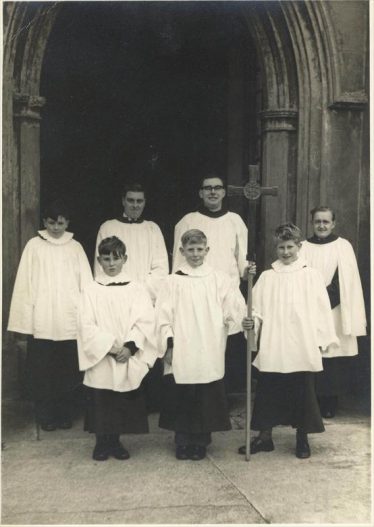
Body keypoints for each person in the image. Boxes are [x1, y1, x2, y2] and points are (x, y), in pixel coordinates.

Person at [239, 223, 338, 459]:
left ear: (299, 246)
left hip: (301, 341)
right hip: (275, 341)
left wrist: (322, 338)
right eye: (281, 247)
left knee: (301, 389)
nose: (285, 252)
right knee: (268, 387)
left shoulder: (311, 276)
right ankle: (265, 437)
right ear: (276, 248)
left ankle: (301, 438)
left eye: (290, 247)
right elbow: (256, 308)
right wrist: (252, 322)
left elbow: (322, 308)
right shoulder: (267, 277)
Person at [156, 229, 247, 460]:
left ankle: (201, 442)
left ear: (207, 250)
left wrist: (236, 317)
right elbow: (163, 314)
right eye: (190, 250)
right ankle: (182, 440)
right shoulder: (172, 281)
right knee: (182, 393)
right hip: (182, 345)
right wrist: (169, 344)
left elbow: (233, 306)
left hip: (209, 343)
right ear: (181, 251)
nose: (195, 254)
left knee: (205, 393)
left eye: (199, 249)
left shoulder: (219, 279)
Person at [7, 200, 93, 431]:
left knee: (67, 369)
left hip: (68, 319)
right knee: (43, 370)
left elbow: (86, 284)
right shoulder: (34, 246)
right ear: (45, 222)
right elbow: (25, 284)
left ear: (68, 222)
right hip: (43, 320)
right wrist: (24, 321)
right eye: (52, 222)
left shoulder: (75, 248)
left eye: (61, 222)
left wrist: (87, 317)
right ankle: (45, 415)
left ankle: (65, 413)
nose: (56, 227)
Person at [78, 236, 158, 461]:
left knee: (120, 400)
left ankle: (116, 442)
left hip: (126, 352)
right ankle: (101, 442)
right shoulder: (91, 289)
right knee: (102, 399)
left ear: (125, 259)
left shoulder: (136, 289)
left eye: (116, 258)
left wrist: (131, 347)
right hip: (102, 354)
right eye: (106, 259)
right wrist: (111, 348)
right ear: (99, 260)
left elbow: (145, 320)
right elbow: (85, 323)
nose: (111, 264)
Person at [299, 206, 367, 418]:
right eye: (317, 221)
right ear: (312, 223)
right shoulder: (302, 247)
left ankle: (329, 402)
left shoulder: (342, 246)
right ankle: (312, 401)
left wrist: (324, 301)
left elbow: (345, 279)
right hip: (308, 307)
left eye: (326, 222)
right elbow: (299, 276)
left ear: (333, 223)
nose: (321, 225)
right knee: (312, 353)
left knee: (332, 356)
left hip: (335, 308)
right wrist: (313, 302)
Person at [94, 182, 169, 301]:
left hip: (146, 297)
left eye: (139, 201)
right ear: (123, 201)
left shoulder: (153, 229)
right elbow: (101, 265)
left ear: (145, 202)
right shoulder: (108, 227)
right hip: (115, 296)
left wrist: (141, 292)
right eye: (131, 200)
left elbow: (161, 268)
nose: (135, 205)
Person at [172, 171, 248, 287]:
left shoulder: (235, 220)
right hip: (195, 286)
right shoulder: (188, 221)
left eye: (217, 188)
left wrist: (247, 271)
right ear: (201, 193)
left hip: (228, 286)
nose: (213, 192)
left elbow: (243, 258)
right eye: (208, 188)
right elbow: (179, 259)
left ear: (223, 192)